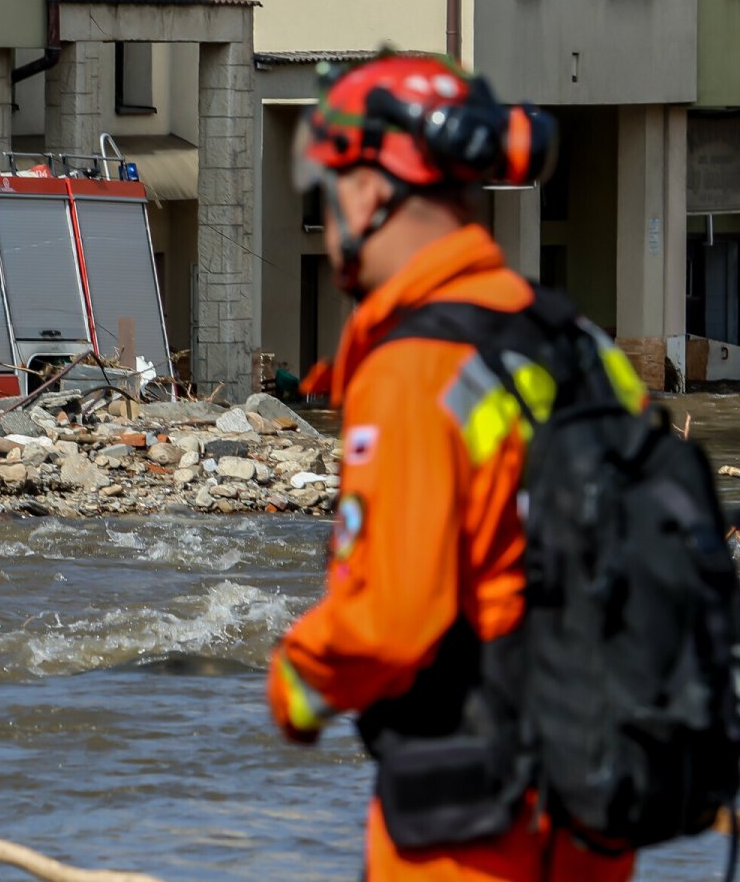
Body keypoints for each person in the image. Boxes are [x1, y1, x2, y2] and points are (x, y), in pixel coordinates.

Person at [264, 53, 638, 881]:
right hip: (591, 813)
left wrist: (298, 679)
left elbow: (393, 616)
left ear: (370, 190)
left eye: (328, 193)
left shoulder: (415, 364)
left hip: (469, 827)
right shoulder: (578, 345)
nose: (328, 223)